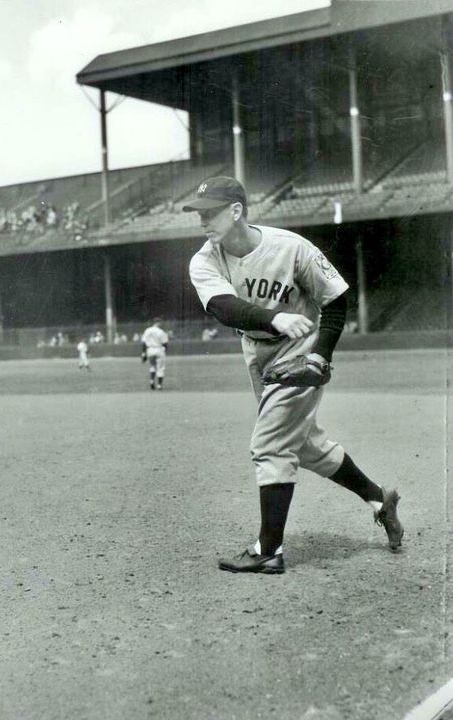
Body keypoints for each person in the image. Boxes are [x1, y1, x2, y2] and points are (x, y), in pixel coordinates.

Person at [185, 176, 403, 575]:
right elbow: (222, 306)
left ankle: (268, 550)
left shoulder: (290, 247)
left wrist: (321, 355)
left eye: (210, 212)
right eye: (199, 213)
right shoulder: (205, 259)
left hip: (299, 346)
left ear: (236, 211)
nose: (202, 221)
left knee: (269, 443)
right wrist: (274, 318)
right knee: (303, 444)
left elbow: (336, 298)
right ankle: (378, 499)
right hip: (255, 348)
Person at [141, 318, 169, 390]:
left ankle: (152, 381)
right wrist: (165, 350)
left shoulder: (147, 330)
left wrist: (143, 353)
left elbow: (144, 342)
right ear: (158, 323)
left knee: (152, 366)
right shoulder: (161, 332)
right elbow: (165, 344)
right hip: (159, 349)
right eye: (160, 322)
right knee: (160, 368)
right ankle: (159, 385)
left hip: (150, 350)